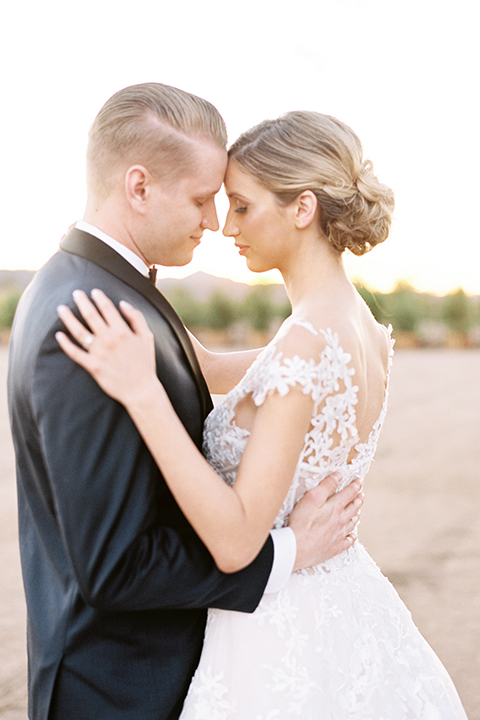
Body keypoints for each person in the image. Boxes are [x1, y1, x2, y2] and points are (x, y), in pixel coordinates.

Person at [56, 110, 468, 719]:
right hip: (345, 603)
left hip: (279, 627)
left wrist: (144, 394)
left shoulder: (306, 341)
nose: (226, 225)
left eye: (242, 206)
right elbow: (225, 369)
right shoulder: (362, 331)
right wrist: (133, 284)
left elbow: (235, 539)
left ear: (302, 208)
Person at [7, 84, 363, 720]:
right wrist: (285, 555)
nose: (213, 222)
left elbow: (225, 369)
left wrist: (319, 359)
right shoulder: (86, 322)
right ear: (138, 187)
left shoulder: (122, 289)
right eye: (203, 200)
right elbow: (114, 566)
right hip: (116, 689)